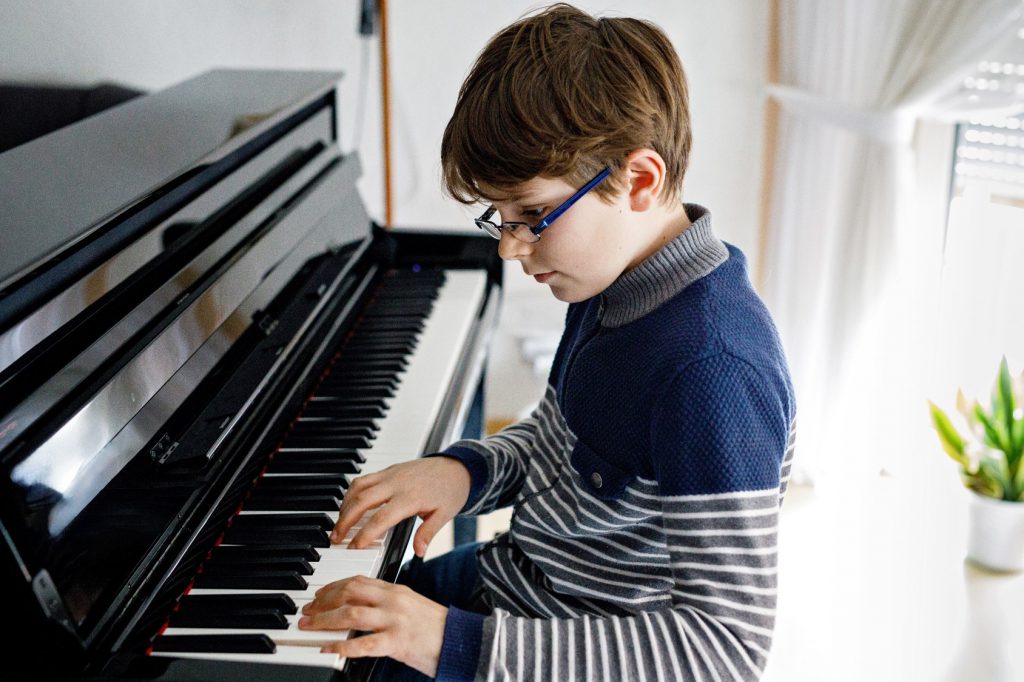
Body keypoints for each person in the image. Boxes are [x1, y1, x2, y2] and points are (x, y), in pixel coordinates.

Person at [298, 3, 796, 680]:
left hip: (565, 652)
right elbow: (559, 442)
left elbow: (723, 651)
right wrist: (465, 472)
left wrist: (446, 641)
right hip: (516, 587)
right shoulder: (611, 284)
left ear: (640, 181)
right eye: (499, 220)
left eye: (532, 215)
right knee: (319, 633)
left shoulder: (712, 371)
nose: (510, 248)